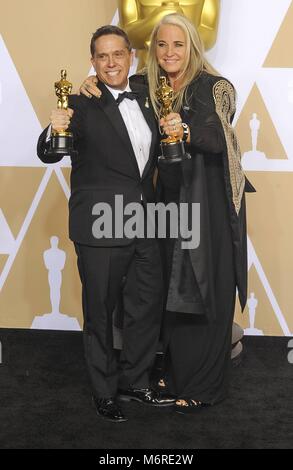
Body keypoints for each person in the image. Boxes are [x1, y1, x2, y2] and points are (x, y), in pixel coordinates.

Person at [79, 14, 254, 414]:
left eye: (178, 44)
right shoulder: (144, 87)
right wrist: (90, 85)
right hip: (162, 204)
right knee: (167, 292)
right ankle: (170, 374)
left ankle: (204, 384)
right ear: (151, 50)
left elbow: (220, 134)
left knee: (205, 288)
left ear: (193, 46)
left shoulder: (216, 87)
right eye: (161, 45)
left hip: (207, 202)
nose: (169, 52)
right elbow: (111, 91)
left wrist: (186, 129)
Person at [37, 25, 175, 423]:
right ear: (92, 62)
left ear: (130, 56)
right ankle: (103, 390)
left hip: (146, 220)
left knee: (146, 307)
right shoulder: (80, 104)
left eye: (118, 54)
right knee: (100, 312)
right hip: (99, 224)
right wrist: (54, 125)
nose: (111, 63)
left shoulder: (149, 97)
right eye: (102, 56)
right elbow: (49, 152)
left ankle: (136, 380)